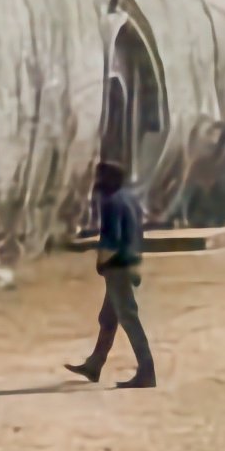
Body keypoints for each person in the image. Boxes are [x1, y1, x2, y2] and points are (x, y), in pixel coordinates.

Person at [66, 159, 158, 388]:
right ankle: (94, 365)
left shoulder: (109, 202)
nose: (96, 182)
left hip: (118, 266)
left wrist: (101, 262)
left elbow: (111, 241)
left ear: (109, 179)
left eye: (100, 177)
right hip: (132, 262)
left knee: (128, 317)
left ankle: (147, 370)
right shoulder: (131, 198)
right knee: (109, 318)